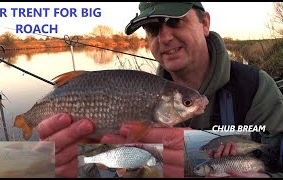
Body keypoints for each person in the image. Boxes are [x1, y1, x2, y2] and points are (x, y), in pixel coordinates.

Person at [37, 2, 283, 178]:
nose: (164, 37)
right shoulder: (132, 98)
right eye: (153, 28)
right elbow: (112, 166)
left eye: (175, 22)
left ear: (205, 23)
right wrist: (70, 167)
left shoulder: (257, 89)